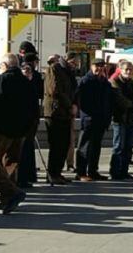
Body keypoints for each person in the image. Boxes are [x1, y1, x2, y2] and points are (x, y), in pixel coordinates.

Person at [0, 53, 34, 214]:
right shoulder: (26, 82)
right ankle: (7, 199)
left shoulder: (2, 80)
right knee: (11, 162)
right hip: (19, 131)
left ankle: (12, 192)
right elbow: (33, 108)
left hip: (1, 130)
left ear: (5, 65)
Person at [74, 60, 113, 181]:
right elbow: (81, 100)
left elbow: (108, 100)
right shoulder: (86, 81)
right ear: (92, 66)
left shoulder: (105, 82)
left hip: (101, 119)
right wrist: (88, 114)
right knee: (85, 145)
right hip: (89, 118)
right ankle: (81, 172)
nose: (99, 69)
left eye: (102, 67)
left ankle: (93, 170)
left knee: (96, 146)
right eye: (97, 66)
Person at [43, 54, 77, 184]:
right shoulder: (55, 69)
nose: (75, 64)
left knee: (64, 144)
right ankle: (52, 173)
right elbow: (55, 90)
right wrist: (69, 105)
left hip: (65, 113)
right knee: (56, 144)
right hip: (55, 112)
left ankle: (57, 172)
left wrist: (74, 105)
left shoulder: (69, 73)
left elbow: (72, 91)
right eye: (73, 62)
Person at [109, 60, 133, 180]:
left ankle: (124, 171)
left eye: (131, 70)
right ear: (120, 70)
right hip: (119, 118)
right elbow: (120, 99)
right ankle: (115, 171)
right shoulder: (115, 82)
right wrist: (132, 104)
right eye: (126, 69)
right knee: (118, 146)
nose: (129, 72)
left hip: (131, 119)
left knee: (128, 146)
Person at [17, 54, 43, 188]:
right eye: (25, 71)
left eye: (29, 71)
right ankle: (21, 177)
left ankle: (29, 175)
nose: (27, 73)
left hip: (31, 120)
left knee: (28, 149)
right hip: (22, 121)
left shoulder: (33, 84)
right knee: (22, 149)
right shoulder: (20, 85)